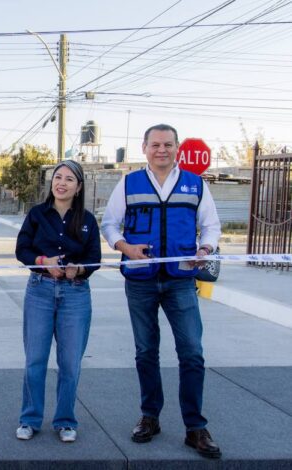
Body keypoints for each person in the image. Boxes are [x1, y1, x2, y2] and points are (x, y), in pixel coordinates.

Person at [100, 124, 222, 459]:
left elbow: (211, 225)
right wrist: (125, 246)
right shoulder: (129, 183)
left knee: (192, 352)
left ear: (177, 148)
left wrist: (205, 249)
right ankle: (150, 417)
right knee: (145, 352)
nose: (161, 150)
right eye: (155, 145)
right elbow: (109, 224)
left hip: (181, 280)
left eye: (168, 145)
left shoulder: (196, 184)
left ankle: (195, 427)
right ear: (145, 148)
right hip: (140, 280)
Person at [14, 160, 101, 443]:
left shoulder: (87, 220)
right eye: (58, 177)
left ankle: (65, 421)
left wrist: (80, 268)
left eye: (69, 179)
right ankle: (29, 419)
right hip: (40, 290)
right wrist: (42, 261)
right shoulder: (37, 215)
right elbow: (22, 249)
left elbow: (94, 258)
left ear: (78, 187)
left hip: (75, 294)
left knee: (70, 363)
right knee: (35, 360)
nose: (61, 183)